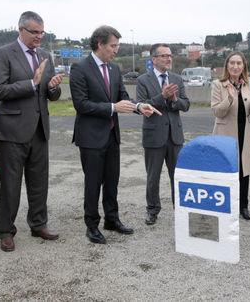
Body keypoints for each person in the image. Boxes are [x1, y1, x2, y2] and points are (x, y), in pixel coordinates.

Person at [70, 25, 159, 244]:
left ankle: (112, 219)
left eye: (117, 46)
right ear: (100, 44)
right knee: (93, 183)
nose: (116, 50)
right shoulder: (80, 68)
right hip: (90, 138)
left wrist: (139, 107)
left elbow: (123, 97)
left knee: (112, 181)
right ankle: (92, 225)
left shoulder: (114, 69)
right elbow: (81, 105)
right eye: (113, 45)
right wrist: (112, 108)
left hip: (112, 136)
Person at [0, 11, 64, 252]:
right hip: (12, 130)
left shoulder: (44, 55)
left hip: (39, 129)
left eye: (42, 32)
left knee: (39, 181)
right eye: (35, 32)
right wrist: (32, 83)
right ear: (20, 30)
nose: (39, 37)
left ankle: (38, 224)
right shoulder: (4, 53)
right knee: (11, 184)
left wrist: (53, 87)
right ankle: (6, 231)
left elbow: (50, 95)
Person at [136, 43, 190, 225]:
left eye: (170, 55)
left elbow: (186, 105)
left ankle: (180, 209)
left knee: (178, 175)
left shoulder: (176, 78)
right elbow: (142, 105)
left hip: (175, 136)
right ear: (154, 59)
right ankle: (152, 210)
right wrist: (162, 96)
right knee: (153, 176)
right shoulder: (143, 80)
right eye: (164, 55)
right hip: (154, 136)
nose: (168, 58)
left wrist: (174, 100)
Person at [211, 52, 250, 220]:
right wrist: (230, 99)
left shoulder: (248, 85)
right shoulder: (218, 84)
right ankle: (226, 205)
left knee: (244, 172)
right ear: (227, 66)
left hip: (245, 134)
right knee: (226, 171)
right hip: (225, 134)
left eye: (238, 63)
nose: (235, 66)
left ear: (243, 66)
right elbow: (217, 111)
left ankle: (244, 206)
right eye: (232, 63)